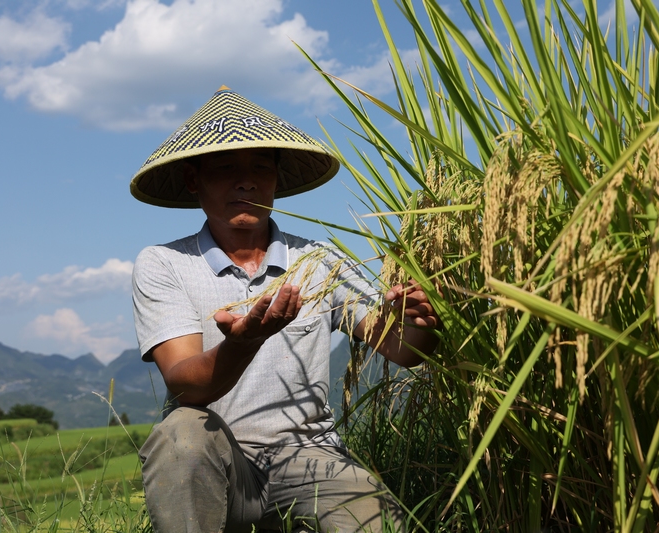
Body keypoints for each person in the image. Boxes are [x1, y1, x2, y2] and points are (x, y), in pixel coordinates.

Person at [129, 86, 440, 533]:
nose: (246, 180)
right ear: (193, 180)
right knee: (181, 433)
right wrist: (245, 342)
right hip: (222, 461)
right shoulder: (165, 264)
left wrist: (421, 323)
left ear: (276, 178)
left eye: (260, 166)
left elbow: (403, 350)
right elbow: (185, 386)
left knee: (382, 526)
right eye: (226, 168)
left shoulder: (319, 260)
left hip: (309, 455)